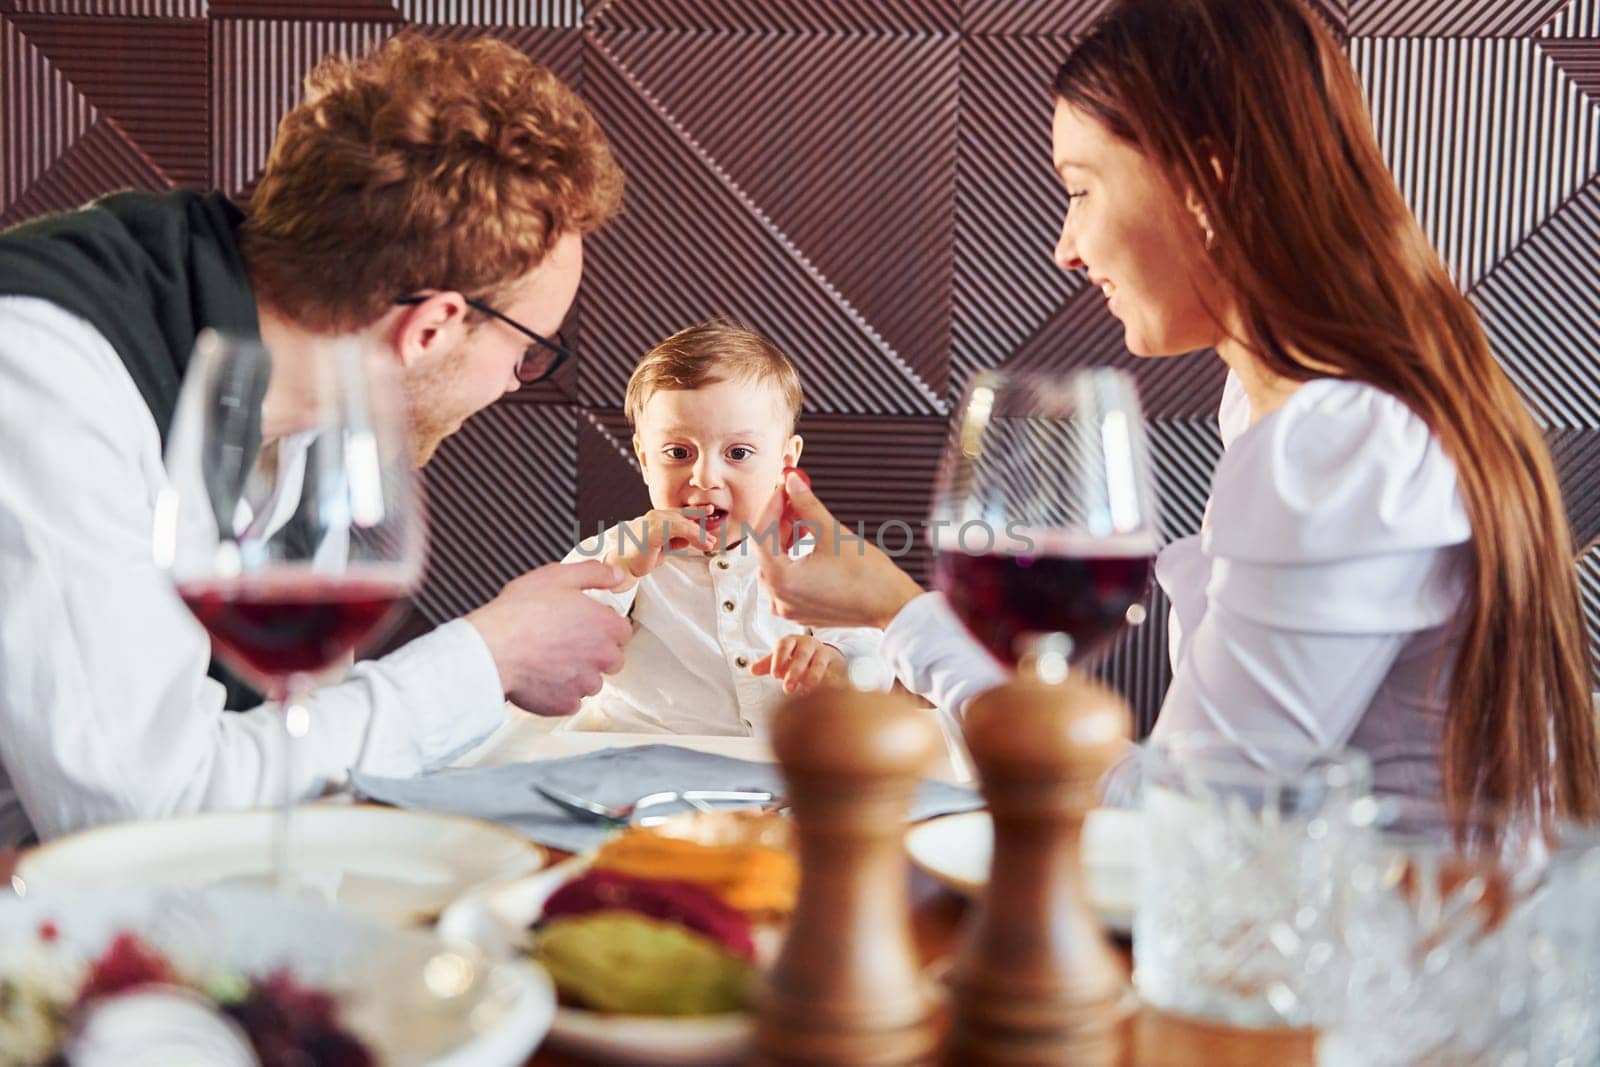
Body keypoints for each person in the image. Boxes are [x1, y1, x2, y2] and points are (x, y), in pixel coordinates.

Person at [750, 0, 1600, 824]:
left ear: (1206, 181)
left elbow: (1175, 833)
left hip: (1386, 953)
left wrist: (903, 614)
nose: (1065, 247)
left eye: (1081, 190)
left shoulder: (1333, 439)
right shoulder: (1297, 406)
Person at [0, 34, 634, 846]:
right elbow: (144, 812)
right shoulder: (49, 378)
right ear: (432, 326)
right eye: (528, 350)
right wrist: (490, 658)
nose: (517, 380)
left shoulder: (295, 376)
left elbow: (283, 737)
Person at [558, 319, 885, 735]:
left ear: (785, 460)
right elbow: (558, 651)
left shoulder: (813, 554)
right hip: (645, 763)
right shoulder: (616, 551)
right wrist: (618, 573)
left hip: (779, 768)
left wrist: (833, 660)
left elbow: (871, 649)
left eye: (738, 452)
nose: (705, 477)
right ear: (644, 458)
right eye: (678, 451)